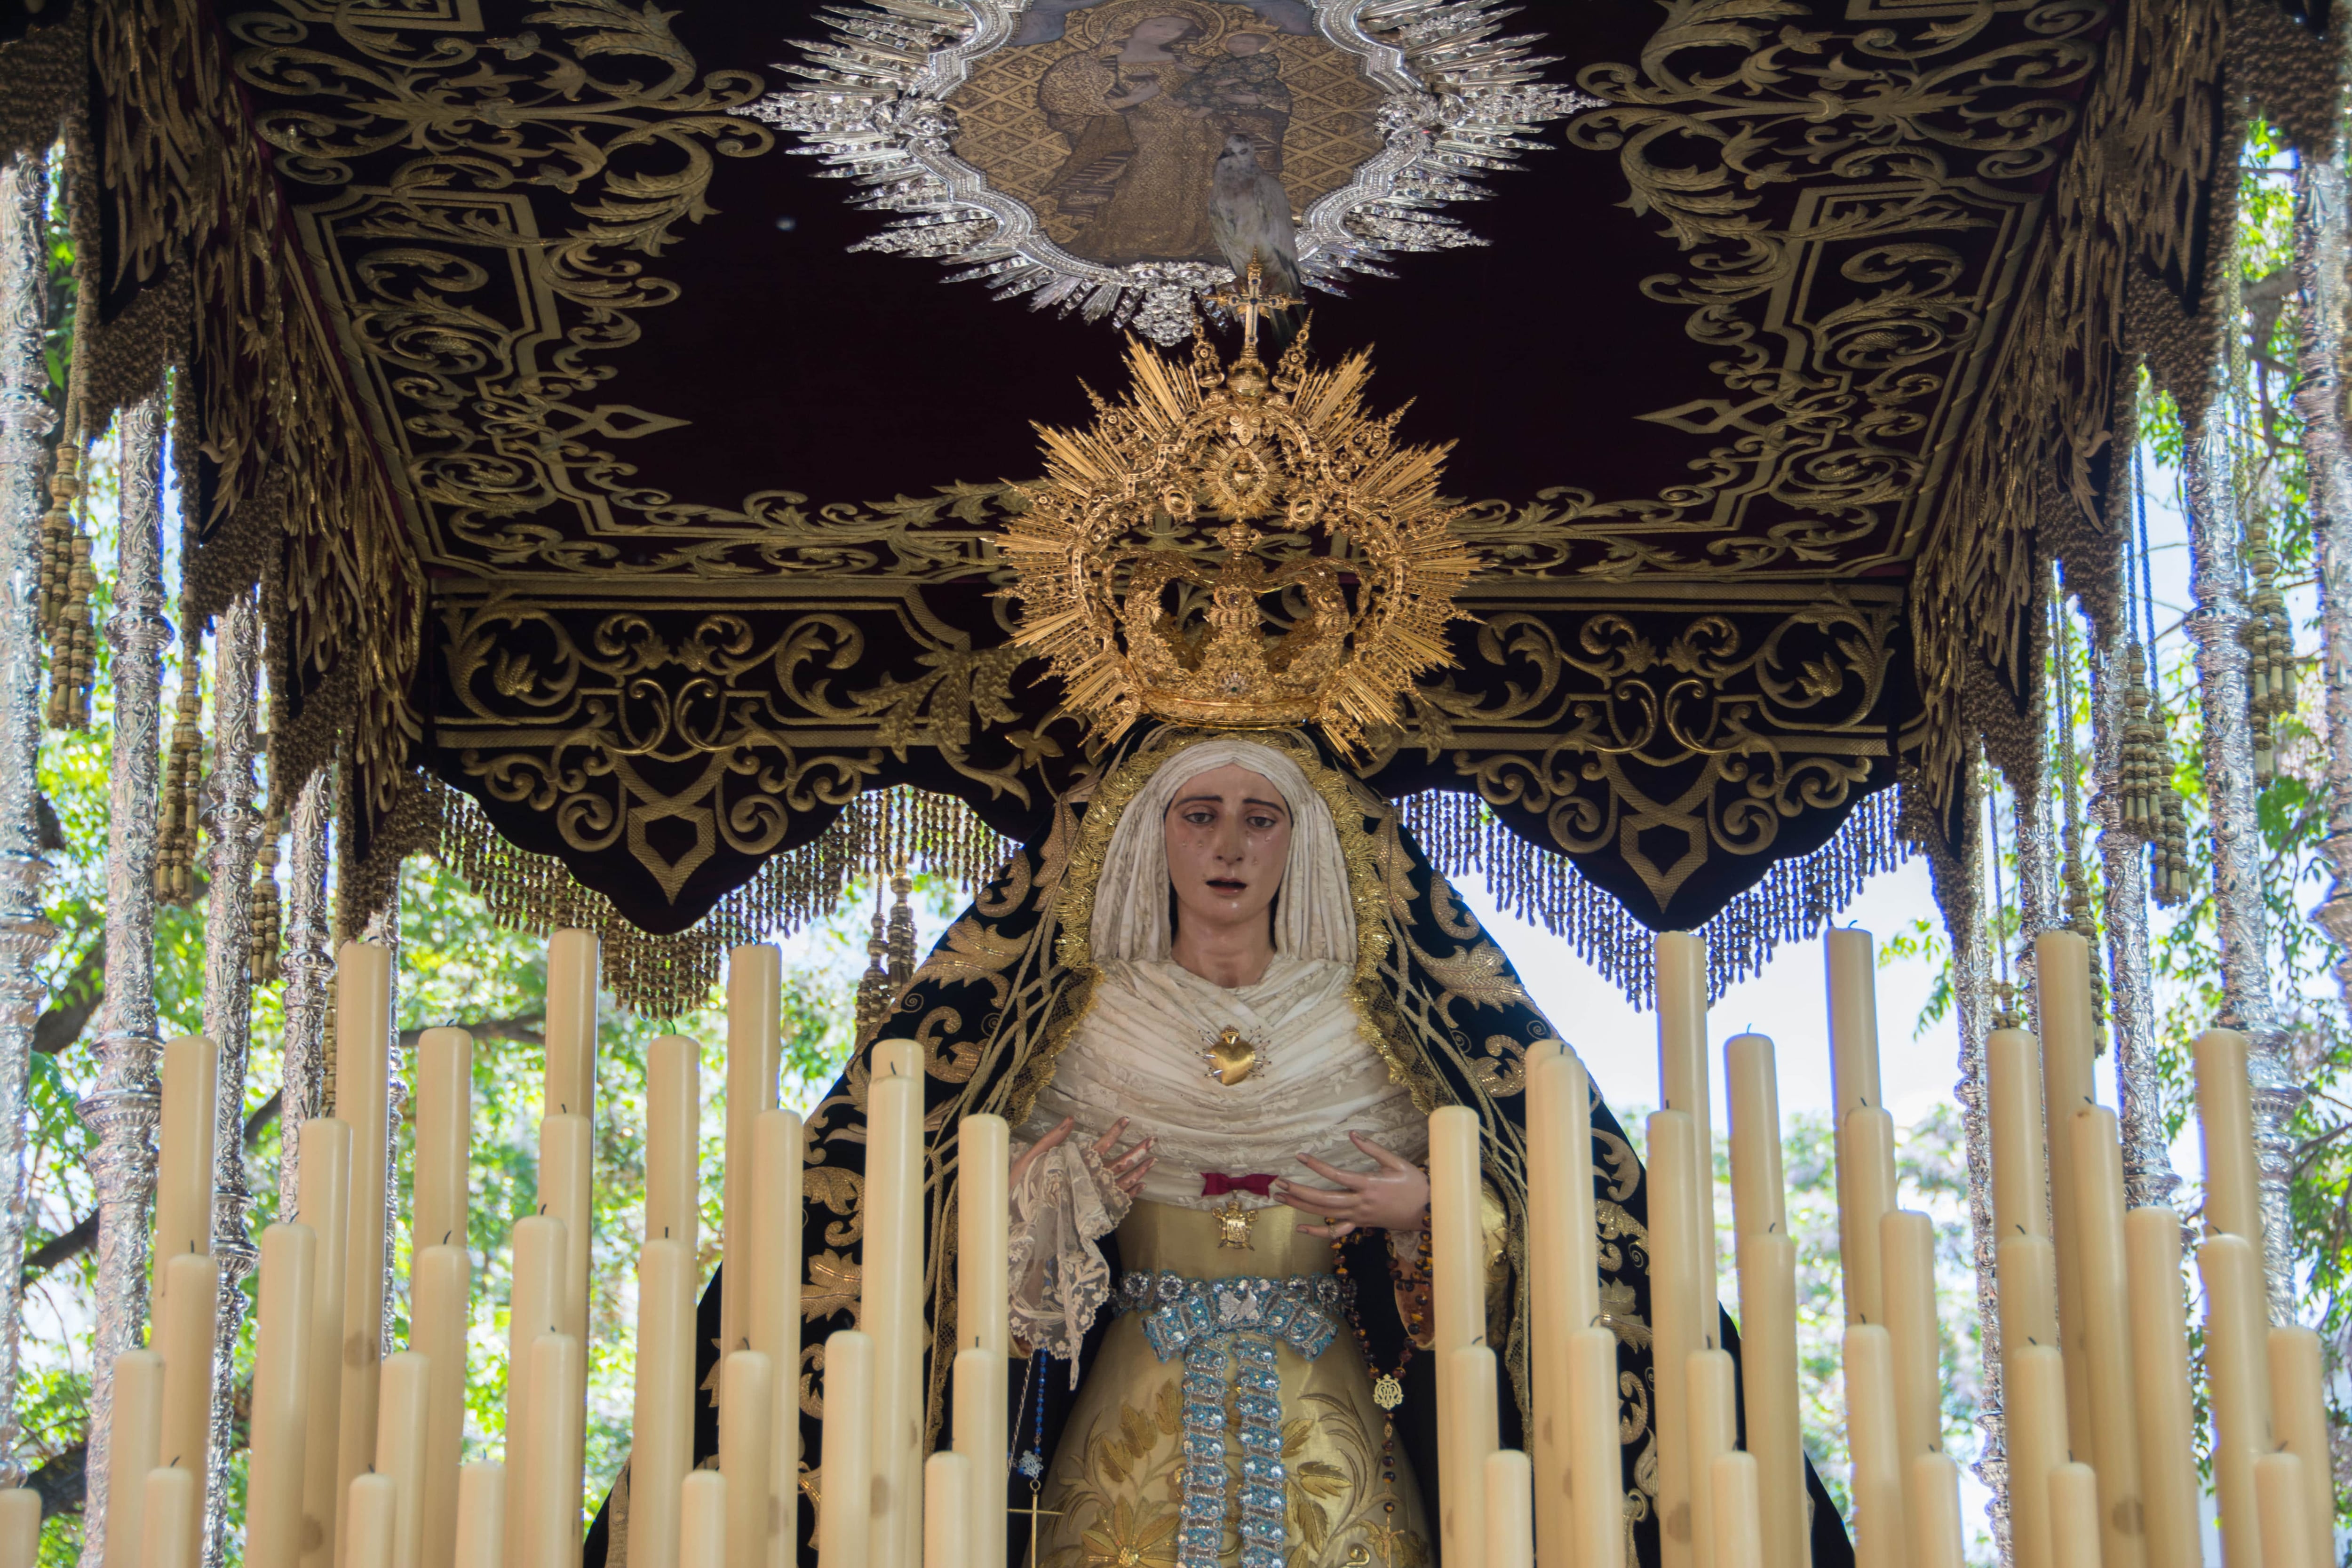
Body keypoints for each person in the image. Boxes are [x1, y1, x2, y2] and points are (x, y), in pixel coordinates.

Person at [584, 725, 1857, 1568]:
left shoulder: (1372, 1035)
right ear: (1153, 839)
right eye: (1200, 814)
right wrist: (1041, 1195)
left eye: (1259, 816)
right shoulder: (1079, 1032)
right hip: (1126, 1411)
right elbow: (933, 1233)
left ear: (1309, 843)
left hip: (1342, 1413)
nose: (1231, 844)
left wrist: (1437, 1208)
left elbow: (1555, 1227)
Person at [1038, 9, 1227, 263]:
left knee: (1192, 188)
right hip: (1131, 140)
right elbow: (1060, 99)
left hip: (1195, 140)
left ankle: (1194, 242)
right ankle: (1122, 244)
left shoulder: (1196, 64)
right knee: (1134, 186)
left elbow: (1224, 96)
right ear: (1129, 23)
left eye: (1179, 29)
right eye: (1160, 24)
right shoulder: (1090, 63)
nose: (1170, 33)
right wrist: (1132, 100)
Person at [1177, 31, 1292, 172]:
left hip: (1253, 98)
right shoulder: (1223, 59)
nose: (1238, 45)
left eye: (1245, 43)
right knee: (1196, 87)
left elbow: (1265, 81)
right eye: (1234, 42)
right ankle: (1188, 102)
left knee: (1256, 155)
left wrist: (1255, 97)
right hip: (1219, 108)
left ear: (1261, 46)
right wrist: (1194, 72)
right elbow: (1210, 72)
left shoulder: (1266, 60)